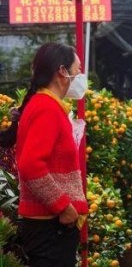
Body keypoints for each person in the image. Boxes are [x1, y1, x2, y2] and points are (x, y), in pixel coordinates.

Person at [0, 42, 88, 267]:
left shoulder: (49, 106)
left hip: (51, 224)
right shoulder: (46, 108)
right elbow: (30, 165)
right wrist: (62, 206)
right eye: (78, 69)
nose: (80, 75)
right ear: (62, 71)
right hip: (50, 225)